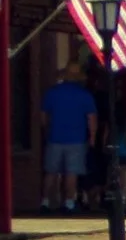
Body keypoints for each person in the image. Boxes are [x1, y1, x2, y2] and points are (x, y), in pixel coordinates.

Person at [38, 65, 97, 214]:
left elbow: (43, 117)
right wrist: (92, 137)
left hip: (55, 137)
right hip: (77, 139)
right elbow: (91, 118)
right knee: (72, 172)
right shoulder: (85, 95)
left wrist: (46, 131)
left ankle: (45, 201)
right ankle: (69, 203)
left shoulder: (52, 93)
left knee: (51, 171)